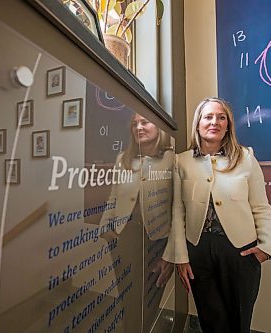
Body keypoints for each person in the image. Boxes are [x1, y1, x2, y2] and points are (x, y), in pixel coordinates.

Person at [162, 97, 271, 333]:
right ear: (198, 124)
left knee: (238, 321)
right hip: (198, 252)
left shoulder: (246, 159)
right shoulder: (181, 162)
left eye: (221, 117)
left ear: (228, 125)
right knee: (211, 321)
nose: (214, 121)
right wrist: (181, 256)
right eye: (208, 116)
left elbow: (261, 207)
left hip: (240, 252)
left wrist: (266, 248)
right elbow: (177, 212)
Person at [98, 113, 175, 331]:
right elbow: (114, 196)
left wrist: (170, 252)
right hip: (124, 237)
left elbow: (178, 208)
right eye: (134, 124)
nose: (139, 127)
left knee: (149, 298)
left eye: (145, 122)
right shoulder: (123, 158)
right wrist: (106, 229)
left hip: (157, 241)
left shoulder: (172, 159)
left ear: (159, 127)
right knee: (128, 297)